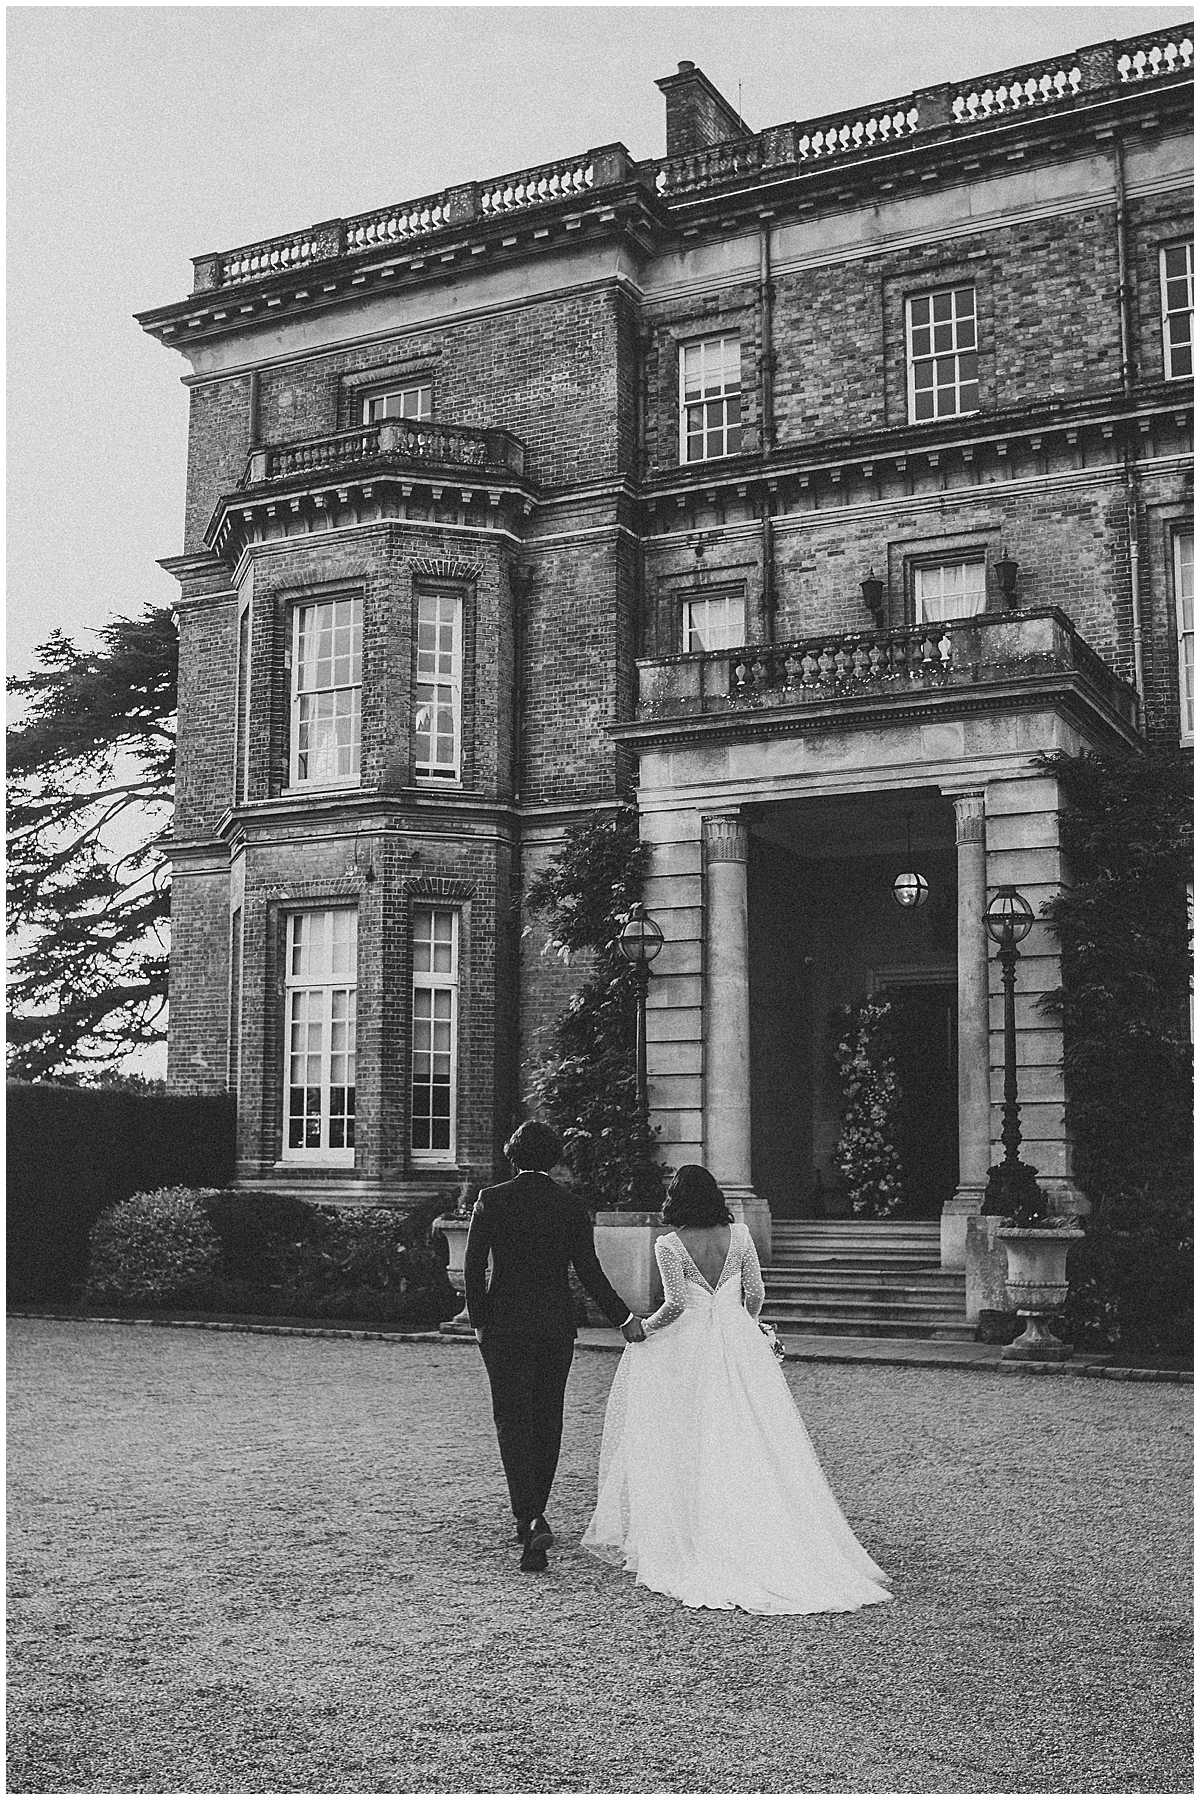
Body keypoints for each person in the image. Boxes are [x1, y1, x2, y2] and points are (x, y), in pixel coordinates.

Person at [581, 1164, 893, 1615]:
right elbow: (756, 1293)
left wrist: (643, 1330)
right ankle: (768, 1526)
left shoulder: (669, 1244)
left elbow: (673, 1306)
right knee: (754, 1432)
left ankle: (699, 1527)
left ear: (678, 1200)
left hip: (691, 1346)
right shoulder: (741, 1235)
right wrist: (744, 1323)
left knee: (692, 1434)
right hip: (738, 1340)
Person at [465, 1119, 644, 1573]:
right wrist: (622, 1318)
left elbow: (472, 1270)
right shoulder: (569, 1205)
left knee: (511, 1419)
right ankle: (536, 1510)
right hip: (554, 1326)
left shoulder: (492, 1200)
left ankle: (528, 1516)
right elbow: (588, 1270)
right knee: (547, 1416)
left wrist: (480, 1321)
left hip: (504, 1326)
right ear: (554, 1159)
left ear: (512, 1156)